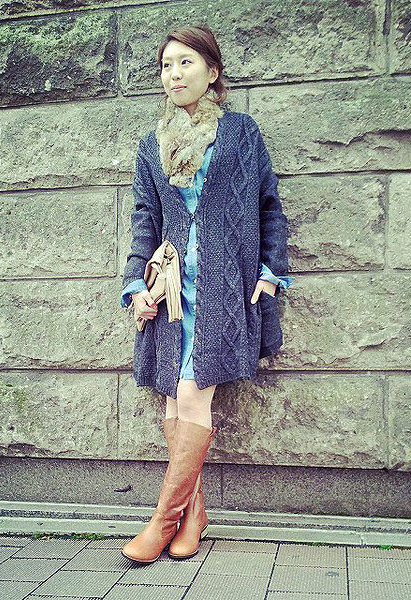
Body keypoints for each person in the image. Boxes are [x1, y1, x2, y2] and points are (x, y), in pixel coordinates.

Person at [120, 24, 295, 563]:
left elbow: (268, 204)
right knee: (175, 395)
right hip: (172, 289)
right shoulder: (151, 144)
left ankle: (161, 521)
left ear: (212, 71)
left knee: (193, 392)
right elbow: (146, 218)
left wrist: (270, 270)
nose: (173, 74)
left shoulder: (241, 133)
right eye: (166, 65)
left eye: (185, 62)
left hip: (224, 286)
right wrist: (136, 285)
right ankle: (193, 514)